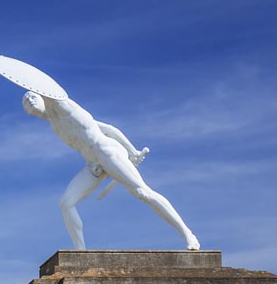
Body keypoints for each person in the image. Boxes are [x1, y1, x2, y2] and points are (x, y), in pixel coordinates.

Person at [19, 88, 199, 251]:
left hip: (107, 152)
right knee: (66, 203)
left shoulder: (64, 106)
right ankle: (80, 252)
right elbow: (105, 127)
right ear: (27, 112)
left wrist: (131, 151)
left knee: (143, 192)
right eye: (25, 101)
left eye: (32, 96)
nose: (29, 100)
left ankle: (187, 234)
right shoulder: (54, 124)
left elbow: (106, 130)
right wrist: (129, 150)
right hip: (93, 165)